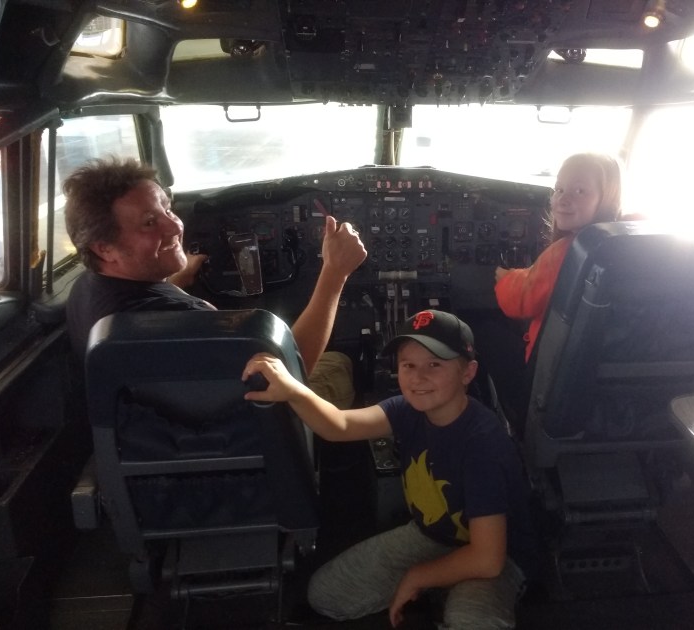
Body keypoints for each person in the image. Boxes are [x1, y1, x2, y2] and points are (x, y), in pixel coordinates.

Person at [242, 309, 542, 629]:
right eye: (408, 365)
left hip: (497, 555)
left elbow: (487, 559)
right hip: (432, 535)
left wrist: (417, 576)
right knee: (326, 595)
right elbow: (339, 425)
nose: (418, 377)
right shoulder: (406, 409)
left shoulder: (483, 443)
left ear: (468, 373)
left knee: (471, 621)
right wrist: (292, 389)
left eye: (434, 365)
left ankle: (447, 588)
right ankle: (443, 586)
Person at [64, 157, 367, 382]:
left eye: (167, 209)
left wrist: (176, 280)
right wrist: (335, 273)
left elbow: (148, 303)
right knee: (338, 364)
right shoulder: (184, 324)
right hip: (252, 428)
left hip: (159, 428)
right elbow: (289, 374)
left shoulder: (87, 289)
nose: (175, 226)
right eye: (149, 222)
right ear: (104, 248)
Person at [494, 152, 622, 364]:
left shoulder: (569, 252)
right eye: (559, 189)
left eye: (580, 191)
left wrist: (505, 278)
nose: (563, 199)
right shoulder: (628, 244)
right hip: (604, 361)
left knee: (489, 335)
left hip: (553, 365)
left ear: (606, 198)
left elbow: (519, 301)